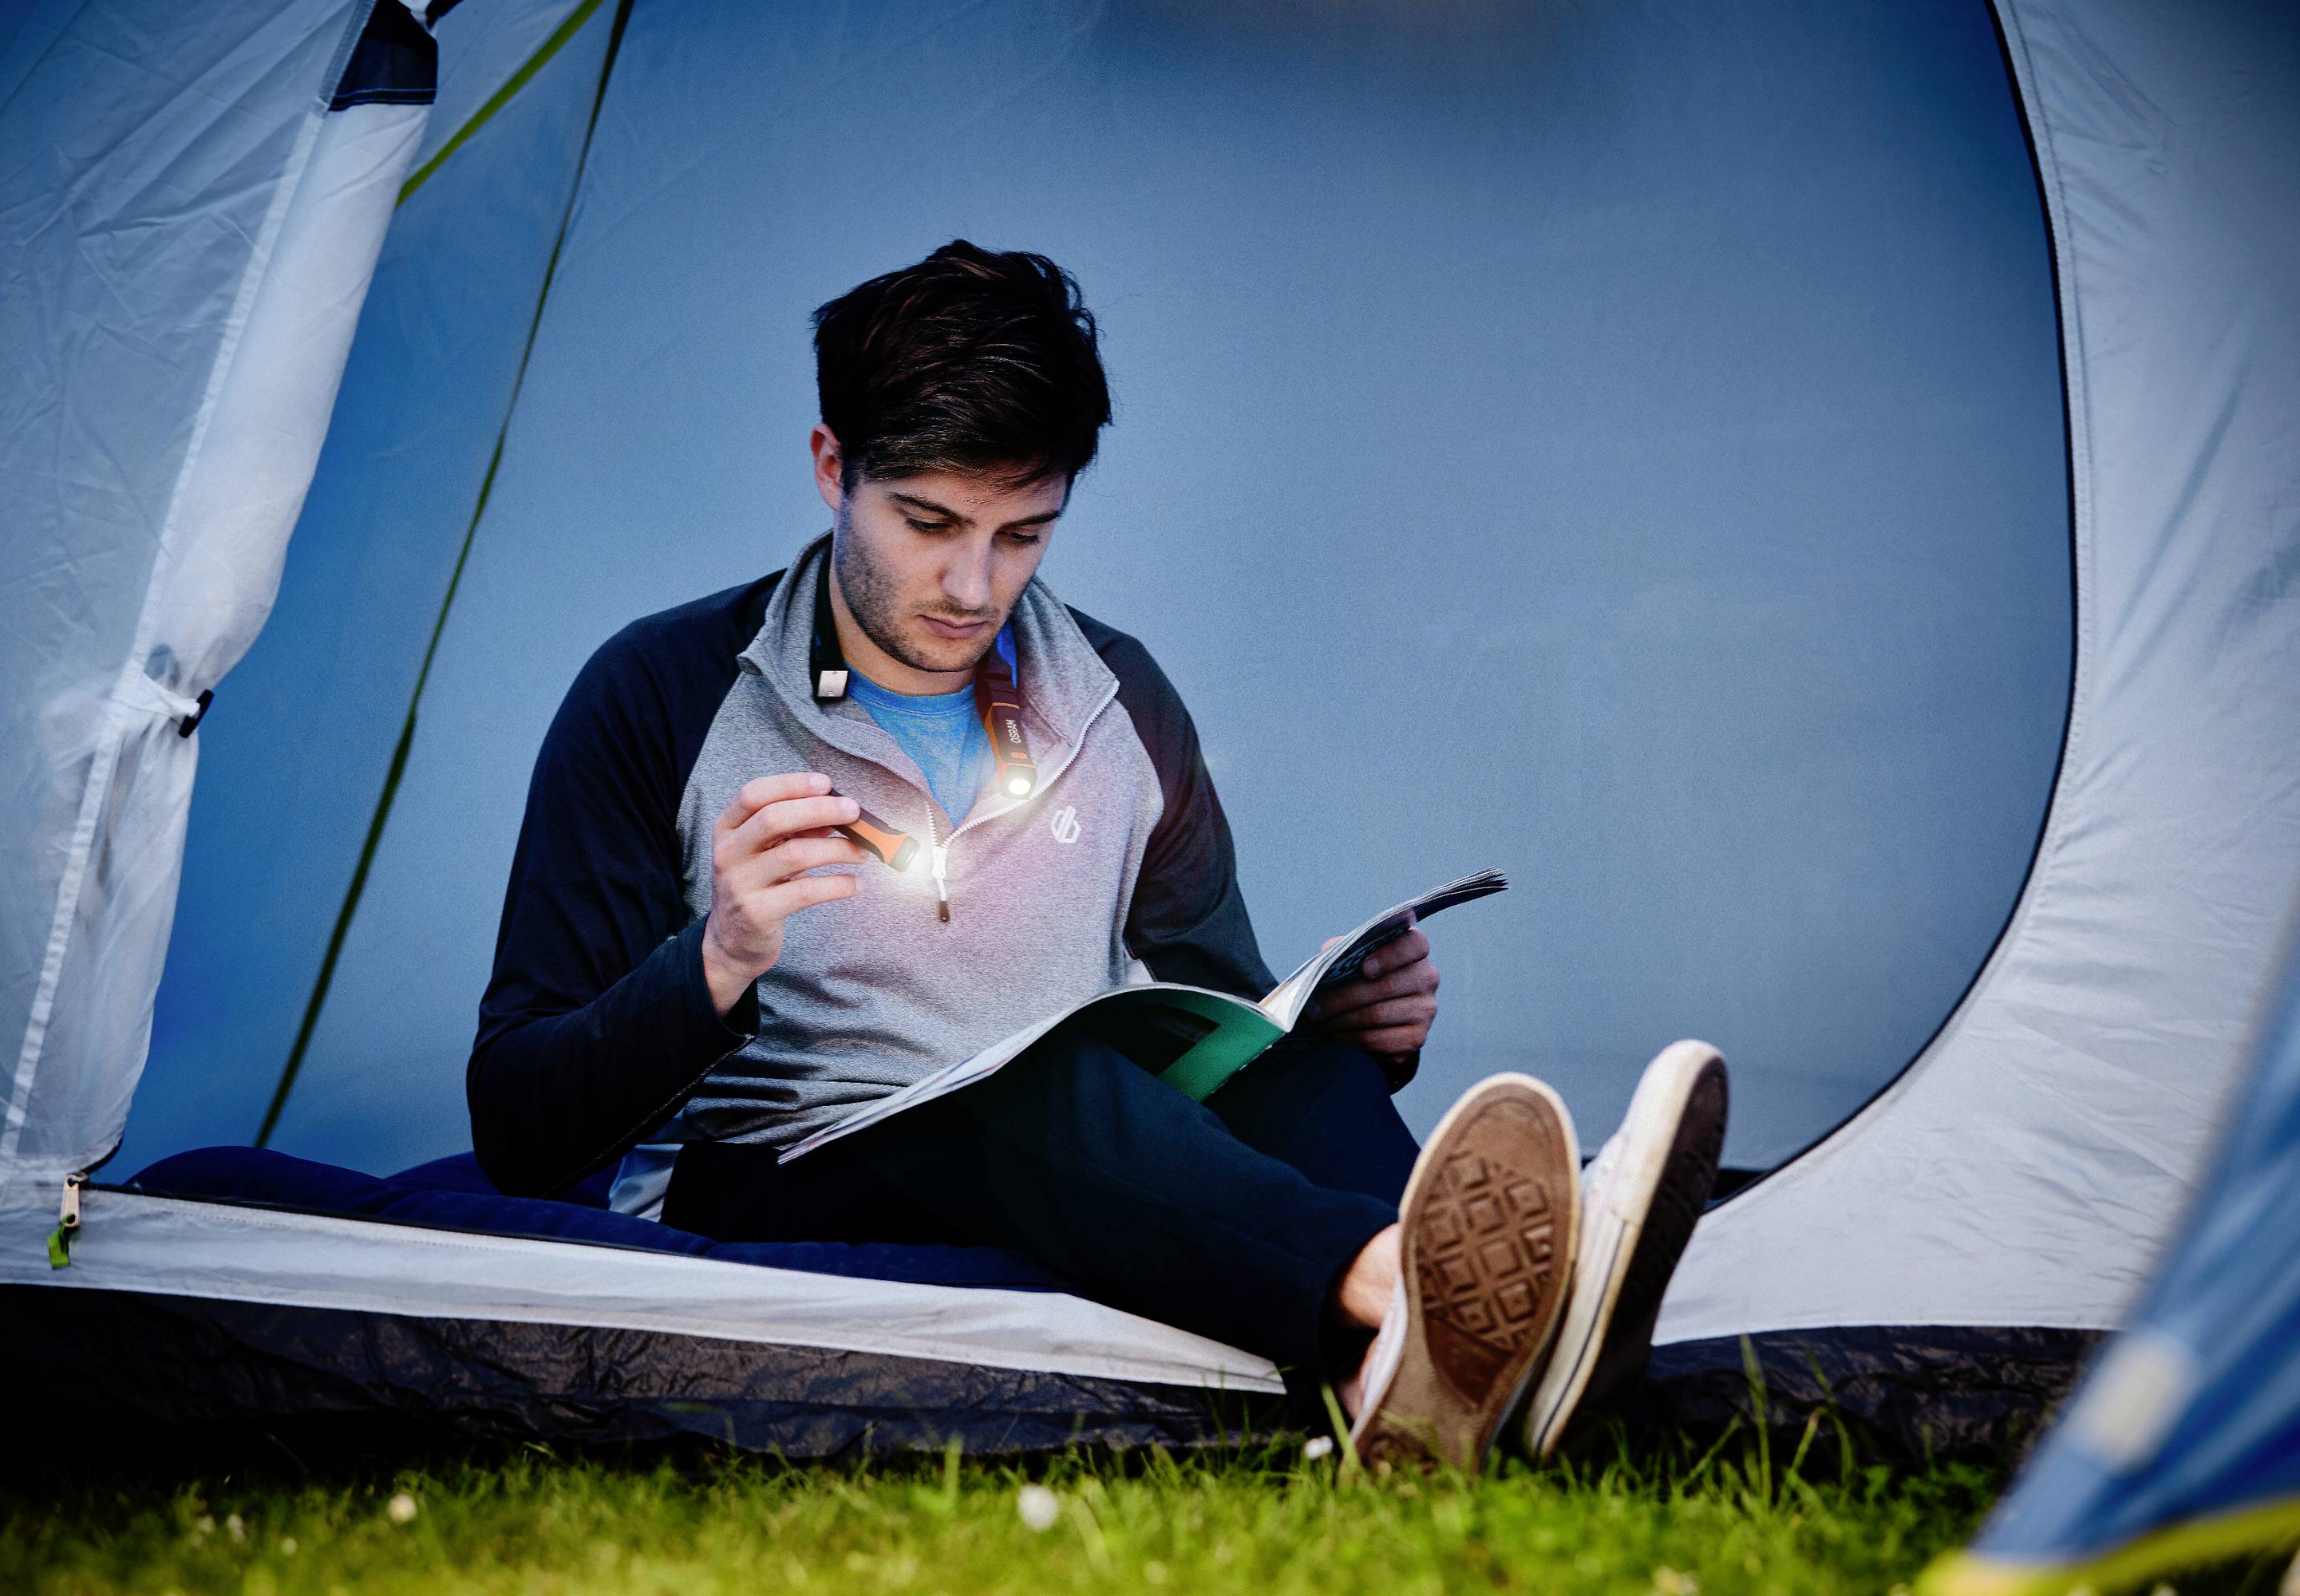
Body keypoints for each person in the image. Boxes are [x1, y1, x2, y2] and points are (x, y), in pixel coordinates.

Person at [467, 239, 1727, 1471]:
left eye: (1025, 533)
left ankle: (1397, 1383)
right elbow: (521, 1126)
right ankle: (1428, 1294)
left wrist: (1360, 1033)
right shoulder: (656, 695)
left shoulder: (1118, 694)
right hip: (779, 1170)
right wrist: (718, 959)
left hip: (1072, 1139)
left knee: (1304, 1087)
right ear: (830, 467)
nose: (974, 584)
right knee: (1027, 1093)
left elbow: (1219, 1022)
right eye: (929, 522)